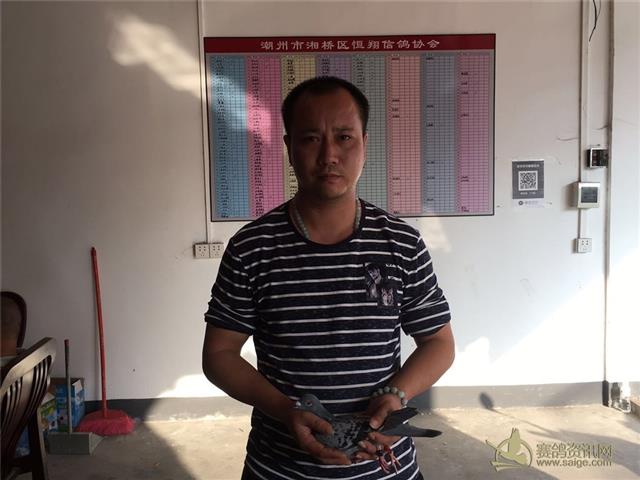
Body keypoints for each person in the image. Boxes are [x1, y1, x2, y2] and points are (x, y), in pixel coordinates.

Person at [202, 76, 455, 479]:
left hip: (386, 470)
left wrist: (396, 394)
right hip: (279, 469)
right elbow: (219, 354)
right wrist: (286, 411)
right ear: (289, 148)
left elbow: (438, 342)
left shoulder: (401, 243)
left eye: (344, 137)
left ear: (364, 144)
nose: (329, 155)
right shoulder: (252, 248)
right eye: (311, 139)